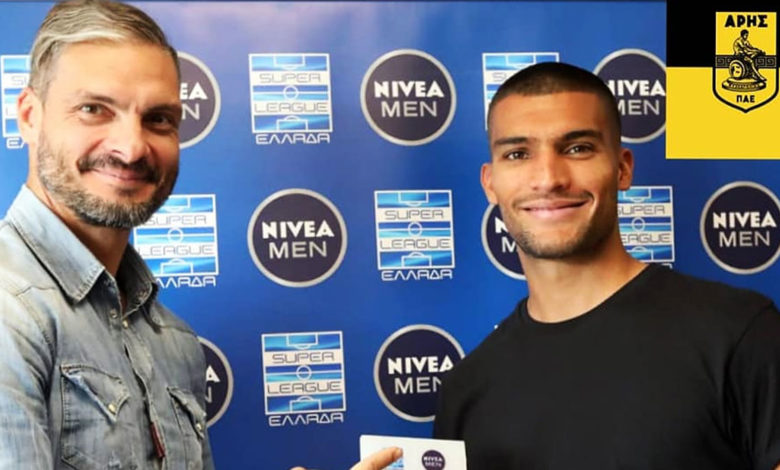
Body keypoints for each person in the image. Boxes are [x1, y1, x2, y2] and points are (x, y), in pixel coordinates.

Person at [432, 62, 780, 469]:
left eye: (577, 148)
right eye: (518, 154)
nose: (548, 178)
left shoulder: (738, 333)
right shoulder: (466, 389)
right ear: (490, 183)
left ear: (622, 168)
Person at [0, 0, 214, 467]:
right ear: (30, 116)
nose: (131, 148)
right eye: (94, 109)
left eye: (158, 119)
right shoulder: (8, 313)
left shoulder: (173, 340)